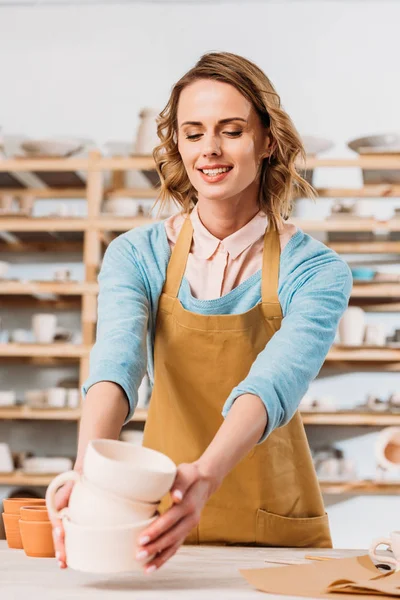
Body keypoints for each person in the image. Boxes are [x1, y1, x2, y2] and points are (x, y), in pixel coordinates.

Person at [52, 51, 352, 573]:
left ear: (267, 141)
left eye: (231, 130)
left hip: (275, 533)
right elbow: (117, 364)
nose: (209, 150)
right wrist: (89, 473)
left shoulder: (317, 270)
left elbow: (273, 381)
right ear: (178, 146)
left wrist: (207, 476)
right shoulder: (137, 254)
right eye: (193, 133)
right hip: (159, 520)